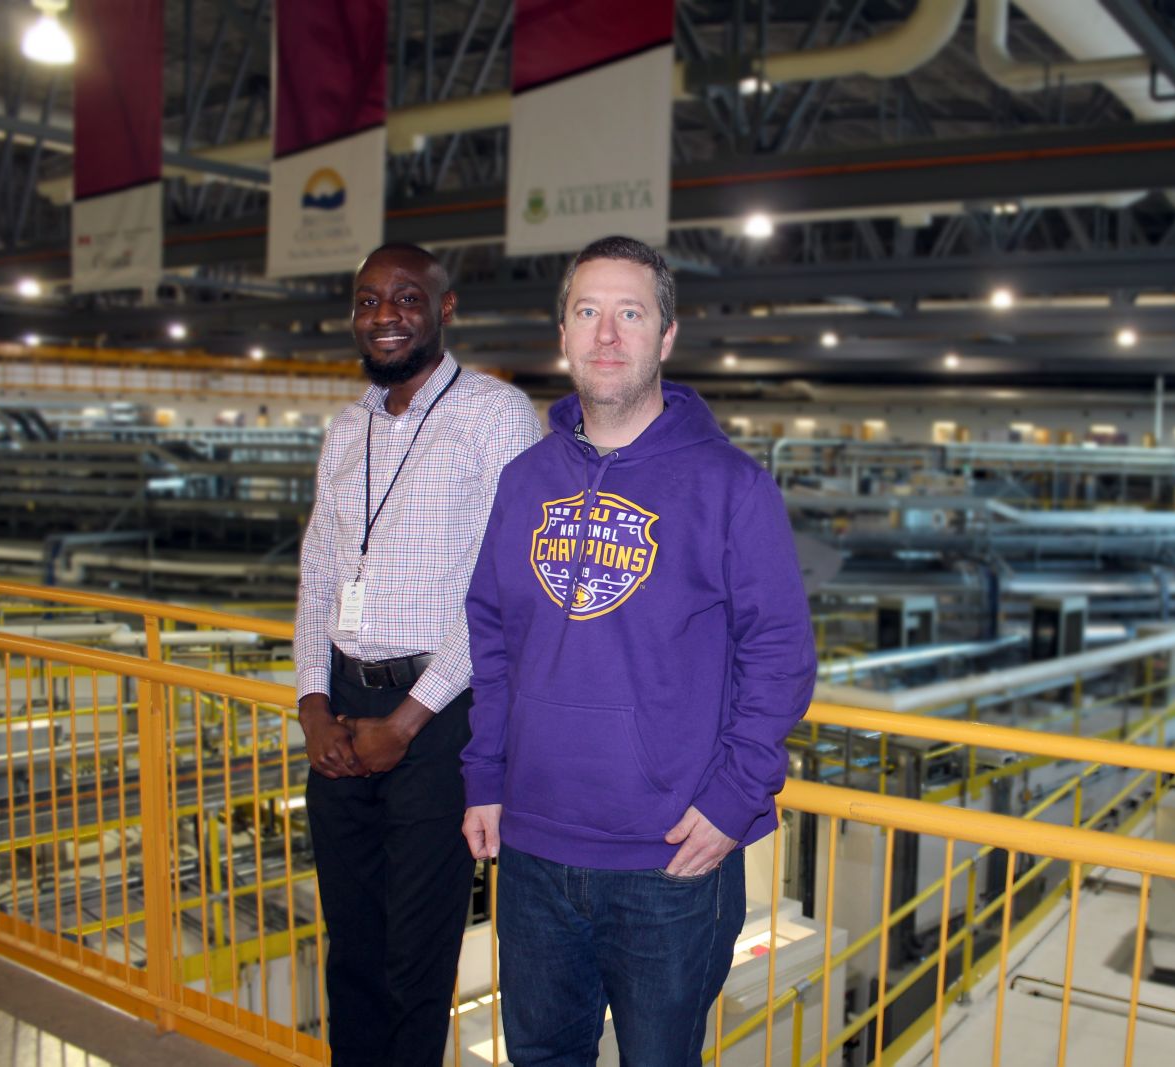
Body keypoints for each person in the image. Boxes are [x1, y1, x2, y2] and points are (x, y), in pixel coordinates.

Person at [460, 235, 816, 1065]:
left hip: (670, 860)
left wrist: (736, 797)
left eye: (630, 313)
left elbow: (780, 654)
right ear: (563, 333)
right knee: (542, 1054)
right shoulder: (525, 480)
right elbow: (494, 638)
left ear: (665, 337)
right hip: (536, 847)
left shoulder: (730, 484)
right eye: (588, 312)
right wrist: (484, 774)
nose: (608, 334)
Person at [294, 242, 542, 1065]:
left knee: (416, 955)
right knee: (353, 945)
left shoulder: (497, 416)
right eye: (369, 301)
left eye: (406, 298)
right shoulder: (346, 427)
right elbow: (320, 572)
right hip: (341, 704)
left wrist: (405, 720)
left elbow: (502, 590)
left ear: (446, 308)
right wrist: (311, 704)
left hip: (438, 719)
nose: (386, 315)